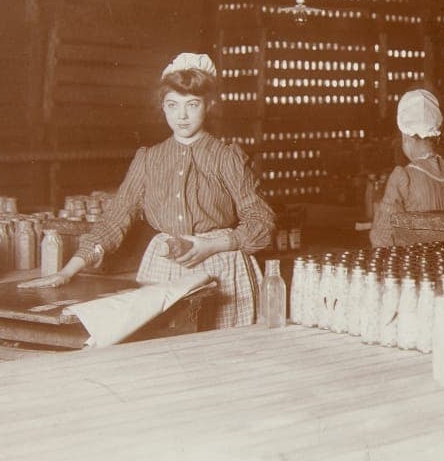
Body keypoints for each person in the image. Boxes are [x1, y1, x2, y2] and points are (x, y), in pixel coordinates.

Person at [19, 52, 276, 329]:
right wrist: (68, 271)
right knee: (163, 350)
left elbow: (262, 222)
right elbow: (115, 219)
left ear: (209, 105)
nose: (182, 115)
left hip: (222, 266)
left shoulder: (226, 157)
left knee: (218, 354)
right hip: (163, 267)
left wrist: (212, 244)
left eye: (192, 104)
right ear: (162, 107)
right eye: (172, 105)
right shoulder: (149, 159)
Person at [369, 88, 444, 247]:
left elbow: (382, 238)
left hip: (416, 267)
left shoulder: (404, 177)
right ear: (437, 136)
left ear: (405, 136)